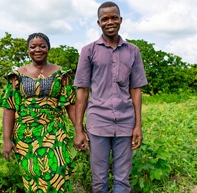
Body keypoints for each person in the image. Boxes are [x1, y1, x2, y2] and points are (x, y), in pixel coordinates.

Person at [73, 1, 148, 193]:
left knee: (123, 180)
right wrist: (79, 129)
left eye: (114, 17)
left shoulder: (133, 51)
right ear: (98, 23)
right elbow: (82, 90)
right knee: (99, 180)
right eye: (104, 19)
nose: (110, 22)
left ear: (120, 20)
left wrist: (138, 125)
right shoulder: (88, 51)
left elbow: (136, 89)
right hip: (98, 122)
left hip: (125, 122)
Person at [0, 32, 76, 193]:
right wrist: (6, 139)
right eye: (33, 47)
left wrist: (79, 130)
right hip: (25, 135)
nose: (37, 49)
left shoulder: (62, 74)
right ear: (28, 50)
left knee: (59, 170)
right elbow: (9, 107)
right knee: (32, 176)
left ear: (48, 48)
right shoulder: (16, 76)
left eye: (42, 46)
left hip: (54, 130)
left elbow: (70, 104)